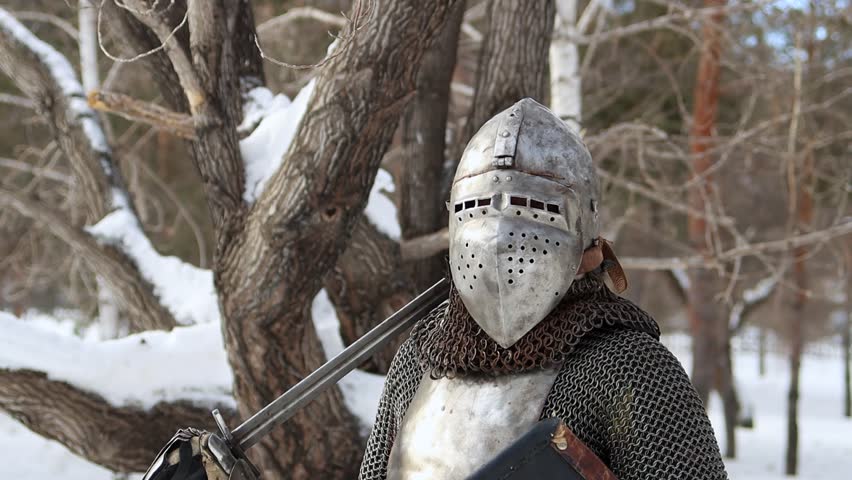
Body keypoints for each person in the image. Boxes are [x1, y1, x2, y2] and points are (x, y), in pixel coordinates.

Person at [357, 98, 728, 480]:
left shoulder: (630, 368)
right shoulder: (422, 357)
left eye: (532, 209)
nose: (500, 237)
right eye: (478, 208)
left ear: (584, 228)